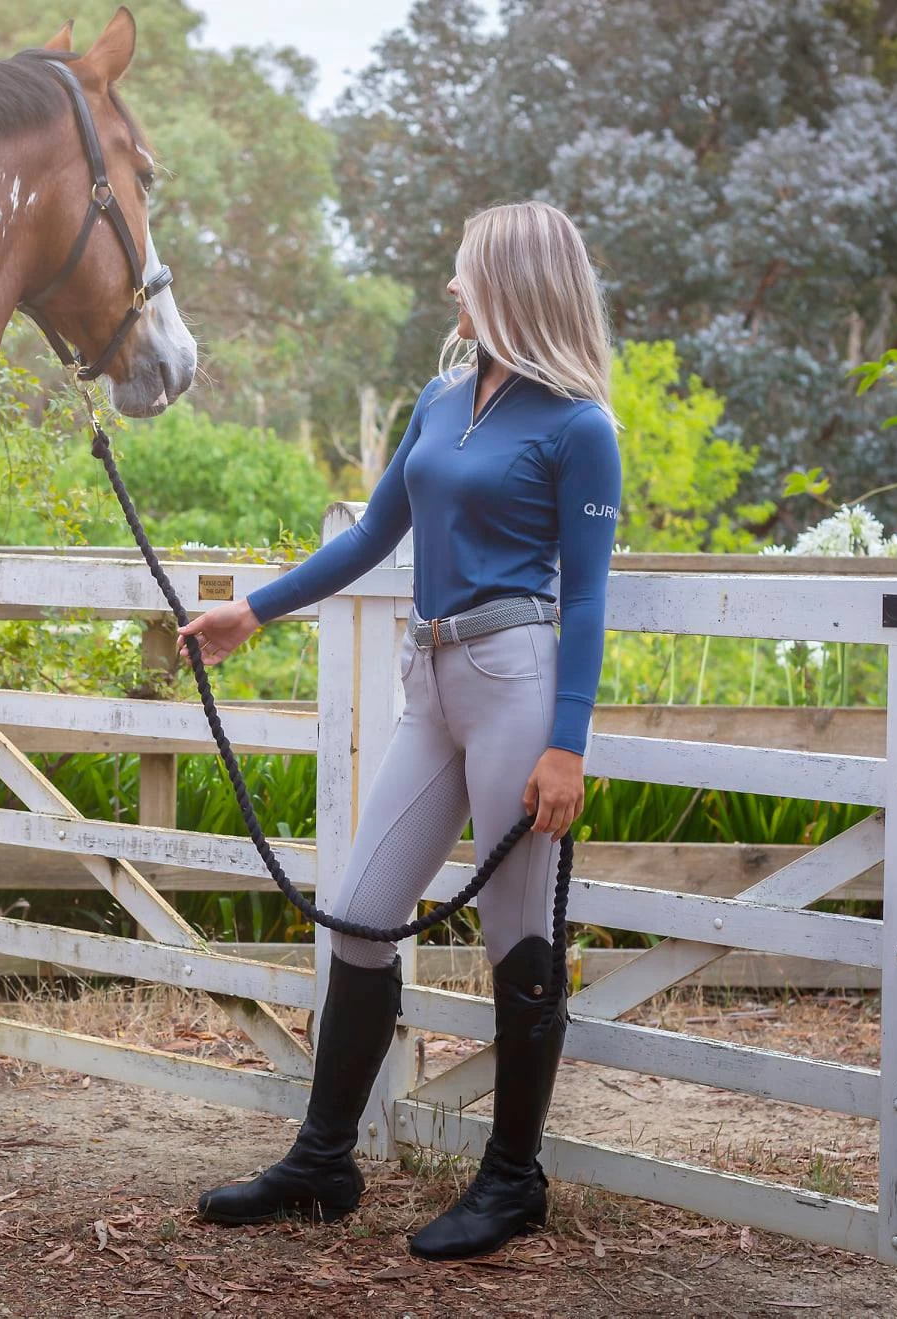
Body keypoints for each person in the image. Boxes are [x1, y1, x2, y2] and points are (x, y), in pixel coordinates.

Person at [180, 199, 620, 1261]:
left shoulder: (579, 425)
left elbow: (588, 598)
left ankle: (512, 1180)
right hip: (431, 678)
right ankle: (323, 1162)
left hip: (517, 680)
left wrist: (567, 743)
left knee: (519, 940)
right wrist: (254, 611)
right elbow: (375, 532)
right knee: (361, 913)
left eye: (464, 271)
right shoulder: (441, 397)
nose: (451, 287)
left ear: (510, 284)